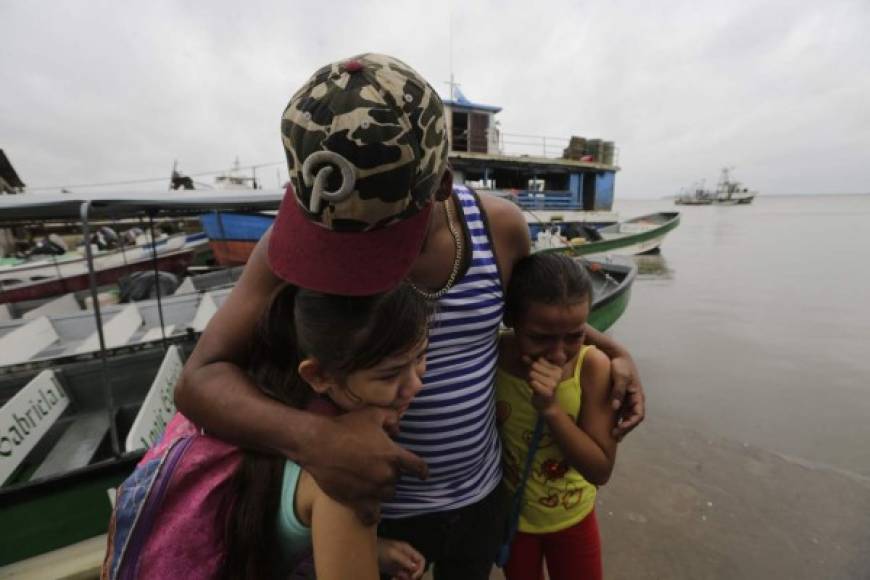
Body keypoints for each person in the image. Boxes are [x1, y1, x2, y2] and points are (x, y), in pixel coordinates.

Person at [174, 53, 645, 578]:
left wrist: (612, 351)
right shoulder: (291, 248)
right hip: (370, 515)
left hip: (481, 495)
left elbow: (537, 325)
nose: (349, 257)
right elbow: (200, 379)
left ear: (440, 186)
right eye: (333, 236)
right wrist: (316, 440)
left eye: (376, 236)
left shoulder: (500, 230)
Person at [104, 283, 431, 580]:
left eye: (422, 356)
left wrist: (367, 550)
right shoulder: (349, 474)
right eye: (389, 376)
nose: (416, 384)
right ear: (318, 375)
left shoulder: (242, 408)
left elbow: (267, 530)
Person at [496, 253, 618, 580]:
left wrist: (550, 409)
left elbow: (600, 468)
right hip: (514, 518)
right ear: (511, 319)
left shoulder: (592, 368)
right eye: (540, 337)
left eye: (575, 336)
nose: (558, 354)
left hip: (574, 518)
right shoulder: (494, 357)